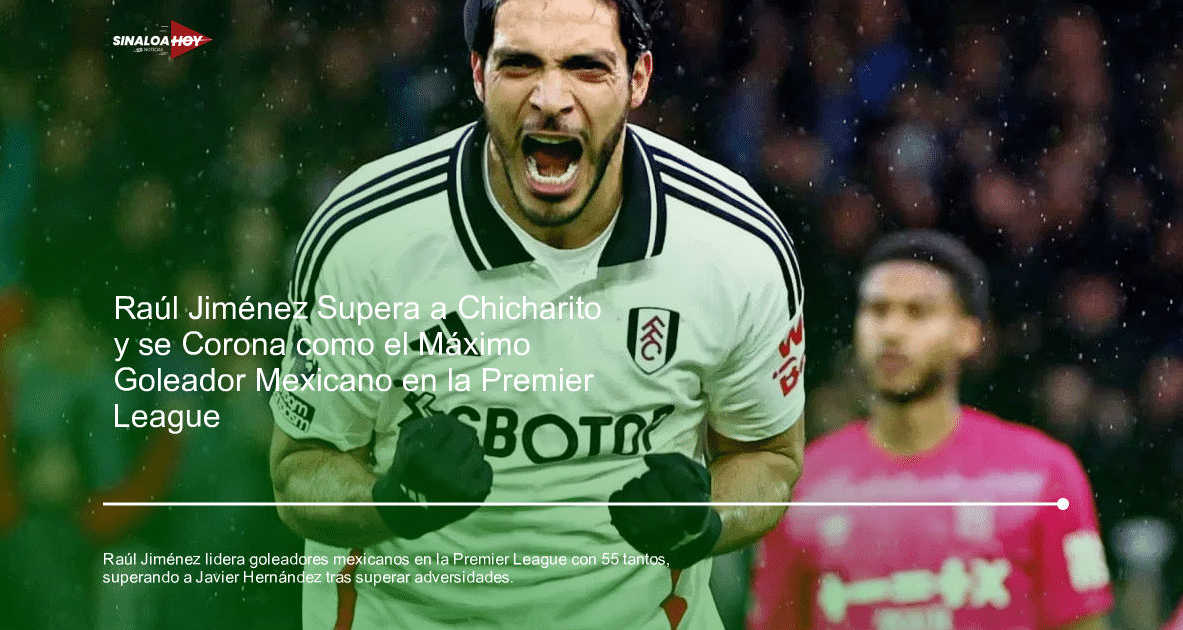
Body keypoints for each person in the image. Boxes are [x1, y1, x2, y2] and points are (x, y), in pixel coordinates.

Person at [267, 0, 806, 628]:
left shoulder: (735, 244)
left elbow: (770, 457)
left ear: (639, 79)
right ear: (478, 74)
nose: (552, 97)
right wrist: (393, 503)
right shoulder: (365, 238)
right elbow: (298, 469)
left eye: (587, 67)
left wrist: (706, 521)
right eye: (520, 63)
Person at [748, 230, 1114, 630]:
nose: (891, 331)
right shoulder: (802, 484)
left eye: (918, 312)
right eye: (877, 310)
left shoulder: (1043, 475)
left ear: (968, 335)